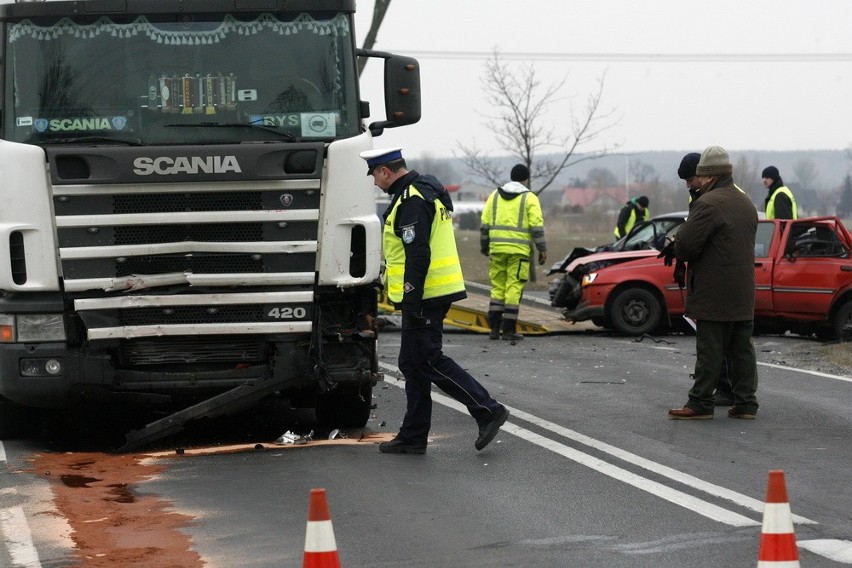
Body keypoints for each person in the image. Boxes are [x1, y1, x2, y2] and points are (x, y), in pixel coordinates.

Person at [361, 147, 510, 453]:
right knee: (412, 363)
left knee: (427, 359)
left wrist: (412, 300)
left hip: (426, 294)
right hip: (427, 293)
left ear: (386, 172)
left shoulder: (412, 199)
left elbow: (418, 254)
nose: (375, 182)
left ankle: (487, 409)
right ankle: (414, 435)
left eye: (375, 175)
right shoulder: (424, 189)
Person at [663, 146, 759, 420]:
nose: (698, 181)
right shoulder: (746, 202)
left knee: (710, 349)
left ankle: (700, 403)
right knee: (742, 349)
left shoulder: (707, 204)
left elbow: (687, 247)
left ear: (711, 176)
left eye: (702, 176)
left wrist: (674, 245)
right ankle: (746, 404)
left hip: (714, 290)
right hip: (743, 289)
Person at [676, 152, 734, 406]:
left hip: (722, 275)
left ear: (704, 175)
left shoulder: (720, 198)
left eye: (690, 179)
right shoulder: (700, 196)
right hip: (710, 273)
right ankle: (728, 390)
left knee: (720, 339)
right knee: (716, 337)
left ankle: (722, 390)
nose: (688, 184)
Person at [479, 164, 547, 341]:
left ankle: (494, 329)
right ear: (526, 179)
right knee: (513, 288)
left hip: (497, 250)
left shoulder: (494, 196)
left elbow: (484, 224)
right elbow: (536, 227)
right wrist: (542, 249)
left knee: (498, 288)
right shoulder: (529, 198)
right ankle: (508, 330)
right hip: (518, 252)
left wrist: (485, 246)